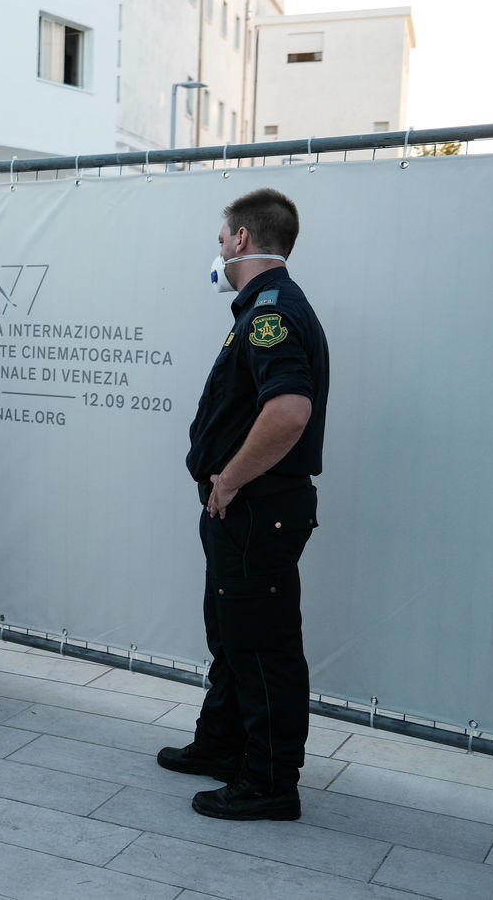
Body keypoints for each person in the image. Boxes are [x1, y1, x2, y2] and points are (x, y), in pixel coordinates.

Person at [157, 188, 329, 822]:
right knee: (232, 634)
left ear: (241, 240)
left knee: (261, 643)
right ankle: (223, 744)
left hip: (257, 506)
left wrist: (227, 481)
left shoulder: (270, 312)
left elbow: (289, 411)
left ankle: (269, 783)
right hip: (245, 509)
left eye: (221, 238)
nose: (219, 249)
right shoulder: (261, 306)